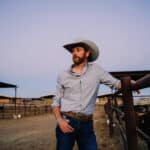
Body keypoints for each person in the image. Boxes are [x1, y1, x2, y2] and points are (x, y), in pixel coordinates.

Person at [51, 39, 121, 150]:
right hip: (67, 121)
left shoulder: (96, 71)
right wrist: (60, 121)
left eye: (78, 50)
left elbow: (116, 83)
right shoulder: (63, 75)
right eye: (73, 51)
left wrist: (130, 84)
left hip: (86, 124)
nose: (74, 53)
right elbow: (56, 101)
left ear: (87, 53)